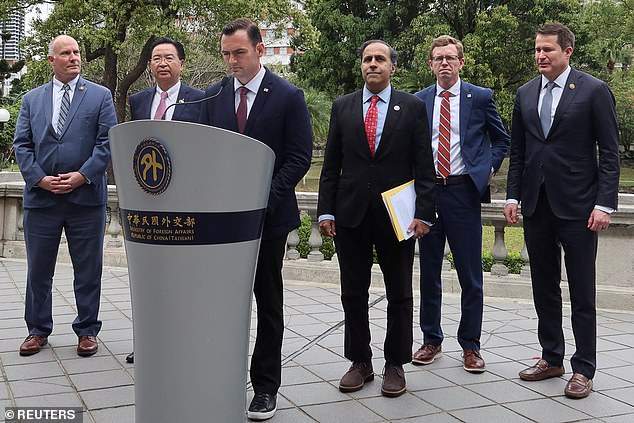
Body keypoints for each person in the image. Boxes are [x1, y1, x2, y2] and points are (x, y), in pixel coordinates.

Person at [198, 18, 312, 421]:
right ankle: (219, 376)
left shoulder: (287, 95)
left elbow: (299, 157)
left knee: (268, 302)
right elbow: (204, 154)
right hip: (220, 225)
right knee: (221, 304)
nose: (231, 61)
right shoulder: (210, 97)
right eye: (226, 53)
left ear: (260, 50)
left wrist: (261, 198)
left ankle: (265, 388)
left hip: (269, 220)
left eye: (239, 52)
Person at [504, 22, 620, 399]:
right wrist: (512, 196)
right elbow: (518, 153)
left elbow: (610, 153)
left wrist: (604, 203)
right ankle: (551, 356)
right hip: (536, 206)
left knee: (582, 291)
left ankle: (583, 367)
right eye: (537, 49)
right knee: (543, 287)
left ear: (567, 51)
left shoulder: (594, 91)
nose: (540, 56)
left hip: (580, 208)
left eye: (548, 50)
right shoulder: (524, 94)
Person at [318, 40, 436, 398]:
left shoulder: (412, 107)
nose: (372, 64)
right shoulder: (344, 107)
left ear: (392, 67)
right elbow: (331, 164)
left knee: (399, 292)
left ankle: (395, 364)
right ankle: (360, 362)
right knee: (352, 292)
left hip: (396, 216)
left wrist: (424, 214)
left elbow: (423, 166)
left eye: (380, 59)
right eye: (367, 58)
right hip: (350, 214)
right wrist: (326, 209)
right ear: (362, 66)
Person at [14, 35, 116, 358]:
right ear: (51, 60)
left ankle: (87, 330)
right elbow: (22, 145)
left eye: (76, 52)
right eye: (66, 53)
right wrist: (40, 180)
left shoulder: (100, 96)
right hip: (42, 200)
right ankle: (37, 329)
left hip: (85, 199)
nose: (74, 57)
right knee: (38, 269)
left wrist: (82, 175)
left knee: (88, 269)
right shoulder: (31, 100)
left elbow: (107, 143)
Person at [411, 35, 510, 373]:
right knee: (428, 273)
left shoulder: (479, 97)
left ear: (461, 62)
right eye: (438, 58)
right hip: (428, 196)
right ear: (430, 64)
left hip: (463, 194)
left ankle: (471, 345)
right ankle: (431, 340)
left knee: (470, 274)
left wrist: (485, 171)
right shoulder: (418, 101)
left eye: (450, 58)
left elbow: (502, 139)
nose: (444, 63)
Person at [125, 37, 205, 364]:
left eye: (169, 57)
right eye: (156, 58)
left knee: (183, 277)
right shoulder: (139, 100)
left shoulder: (200, 99)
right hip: (149, 204)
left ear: (182, 64)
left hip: (185, 204)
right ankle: (147, 342)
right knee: (151, 277)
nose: (162, 63)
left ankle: (183, 340)